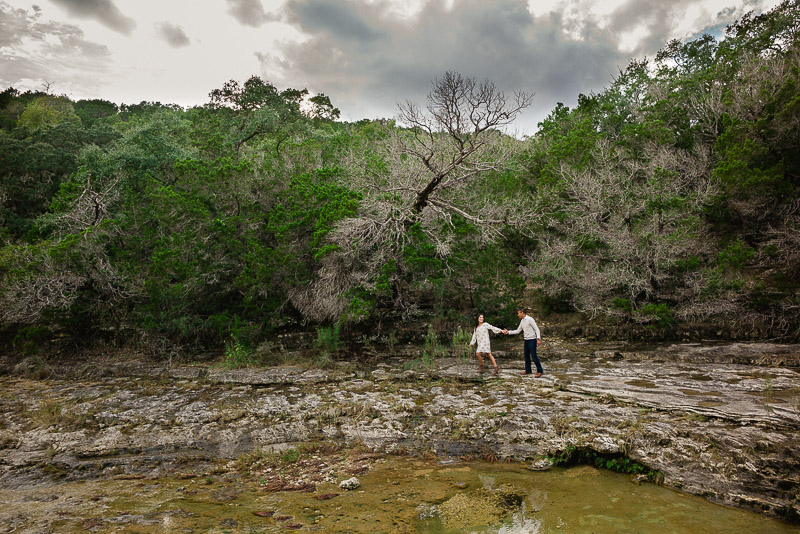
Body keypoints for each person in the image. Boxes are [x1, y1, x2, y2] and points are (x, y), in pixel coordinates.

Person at [503, 307, 543, 377]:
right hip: (526, 340)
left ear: (522, 312)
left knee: (534, 356)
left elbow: (537, 329)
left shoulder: (530, 319)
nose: (518, 315)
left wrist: (538, 338)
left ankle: (540, 371)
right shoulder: (522, 321)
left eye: (518, 313)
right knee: (526, 356)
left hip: (532, 340)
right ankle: (528, 370)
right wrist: (508, 332)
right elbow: (518, 331)